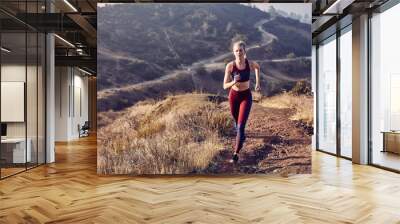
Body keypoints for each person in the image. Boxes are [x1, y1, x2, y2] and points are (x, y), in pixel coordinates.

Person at [223, 40, 261, 163]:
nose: (239, 52)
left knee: (240, 126)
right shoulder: (230, 66)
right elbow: (224, 86)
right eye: (236, 50)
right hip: (233, 96)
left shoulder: (249, 64)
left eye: (241, 50)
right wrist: (233, 82)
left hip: (246, 96)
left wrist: (258, 83)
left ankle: (236, 153)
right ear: (233, 52)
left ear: (245, 51)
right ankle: (242, 136)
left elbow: (257, 67)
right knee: (236, 122)